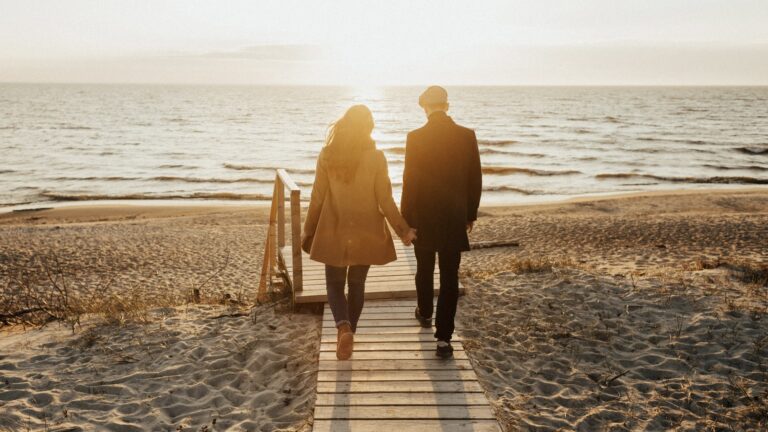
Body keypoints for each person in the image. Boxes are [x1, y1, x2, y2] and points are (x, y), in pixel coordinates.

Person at [302, 104, 417, 361]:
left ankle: (343, 328)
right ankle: (350, 332)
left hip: (334, 228)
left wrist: (308, 230)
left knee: (334, 283)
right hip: (367, 230)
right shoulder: (377, 157)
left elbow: (317, 197)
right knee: (357, 284)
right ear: (369, 128)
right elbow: (385, 200)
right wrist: (403, 230)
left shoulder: (327, 155)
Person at [401, 86, 482, 358]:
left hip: (423, 216)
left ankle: (425, 313)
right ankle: (444, 339)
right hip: (453, 216)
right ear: (446, 106)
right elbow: (475, 178)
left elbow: (409, 182)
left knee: (424, 269)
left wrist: (406, 221)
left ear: (425, 107)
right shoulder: (466, 136)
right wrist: (469, 214)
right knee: (449, 277)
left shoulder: (415, 137)